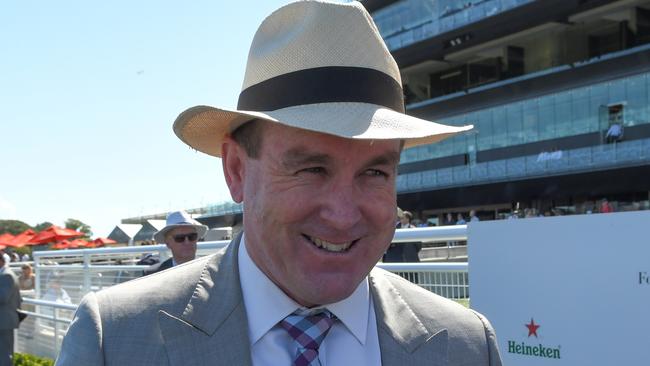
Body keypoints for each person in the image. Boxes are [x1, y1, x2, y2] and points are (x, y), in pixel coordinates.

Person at [56, 2, 502, 365]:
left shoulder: (466, 346)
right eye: (311, 169)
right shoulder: (113, 340)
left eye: (375, 172)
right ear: (236, 170)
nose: (344, 215)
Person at [142, 210, 208, 276]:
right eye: (180, 238)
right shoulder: (152, 275)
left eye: (192, 237)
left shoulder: (211, 270)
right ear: (168, 243)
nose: (187, 242)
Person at [0, 254, 21, 366]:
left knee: (4, 354)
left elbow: (3, 297)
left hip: (4, 321)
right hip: (4, 321)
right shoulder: (4, 274)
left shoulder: (6, 275)